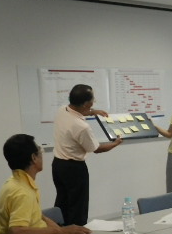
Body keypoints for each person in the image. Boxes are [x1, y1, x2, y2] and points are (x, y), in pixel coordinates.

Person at [52, 84, 122, 226]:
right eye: (92, 100)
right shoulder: (81, 126)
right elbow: (96, 149)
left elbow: (78, 111)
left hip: (58, 165)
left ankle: (60, 231)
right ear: (85, 104)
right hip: (74, 169)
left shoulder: (62, 110)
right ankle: (78, 233)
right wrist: (116, 143)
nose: (94, 101)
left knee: (62, 203)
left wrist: (93, 112)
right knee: (78, 207)